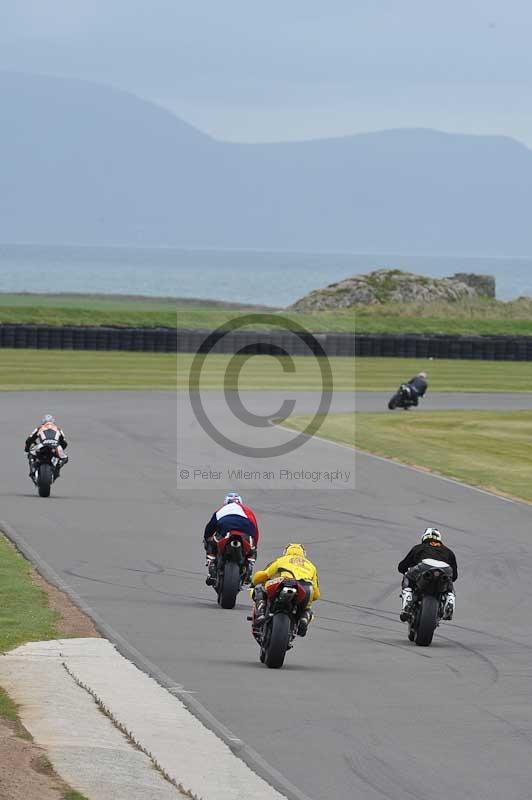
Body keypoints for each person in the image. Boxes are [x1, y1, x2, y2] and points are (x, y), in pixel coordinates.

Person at [251, 543, 320, 637]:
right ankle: (304, 619)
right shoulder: (311, 566)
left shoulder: (282, 560)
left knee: (260, 588)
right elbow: (316, 594)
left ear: (286, 552)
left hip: (285, 582)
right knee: (306, 609)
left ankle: (261, 612)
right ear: (303, 553)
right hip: (306, 588)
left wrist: (254, 583)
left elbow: (264, 575)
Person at [398, 527, 457, 622]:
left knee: (408, 577)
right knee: (449, 581)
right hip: (445, 569)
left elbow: (402, 567)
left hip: (425, 566)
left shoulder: (418, 548)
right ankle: (450, 601)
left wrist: (405, 569)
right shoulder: (449, 551)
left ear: (424, 537)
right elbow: (454, 576)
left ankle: (407, 604)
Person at [203, 492, 259, 586]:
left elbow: (210, 527)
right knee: (252, 550)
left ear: (226, 502)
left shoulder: (221, 510)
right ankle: (249, 566)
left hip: (226, 529)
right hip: (245, 531)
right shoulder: (248, 511)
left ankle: (211, 566)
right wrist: (254, 544)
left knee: (211, 543)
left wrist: (206, 539)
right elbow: (255, 529)